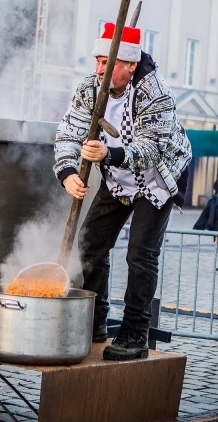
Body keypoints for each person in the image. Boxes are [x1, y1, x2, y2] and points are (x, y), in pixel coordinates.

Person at [54, 22, 192, 361]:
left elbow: (152, 148)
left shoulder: (155, 91)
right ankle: (94, 320)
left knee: (140, 254)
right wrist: (67, 171)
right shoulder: (90, 88)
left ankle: (134, 334)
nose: (99, 70)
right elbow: (69, 130)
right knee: (90, 245)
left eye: (107, 62)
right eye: (98, 61)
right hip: (117, 177)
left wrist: (110, 153)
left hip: (158, 177)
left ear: (129, 65)